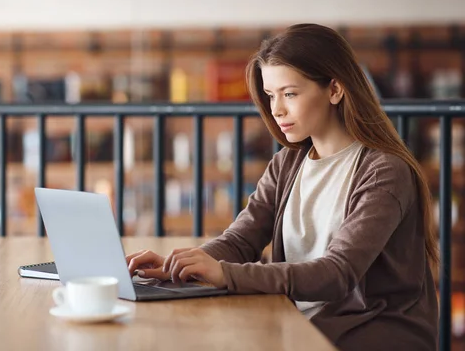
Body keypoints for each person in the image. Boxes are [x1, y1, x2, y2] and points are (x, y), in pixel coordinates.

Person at [126, 23, 439, 351]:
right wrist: (182, 266)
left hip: (369, 328)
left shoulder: (384, 172)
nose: (276, 110)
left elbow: (337, 274)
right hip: (300, 316)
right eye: (271, 95)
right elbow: (241, 240)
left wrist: (224, 274)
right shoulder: (288, 163)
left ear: (335, 90)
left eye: (290, 94)